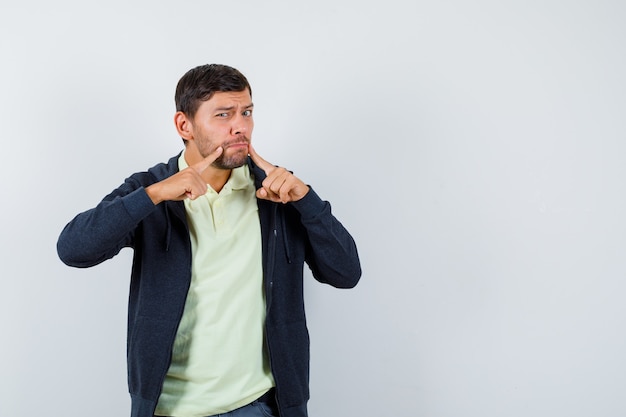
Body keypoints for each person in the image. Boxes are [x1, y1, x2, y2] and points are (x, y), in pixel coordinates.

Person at [56, 63, 361, 417]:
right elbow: (73, 248)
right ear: (184, 125)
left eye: (246, 112)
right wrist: (153, 195)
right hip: (168, 409)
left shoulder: (278, 191)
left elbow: (346, 273)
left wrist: (307, 202)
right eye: (223, 115)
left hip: (259, 406)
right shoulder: (151, 189)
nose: (240, 127)